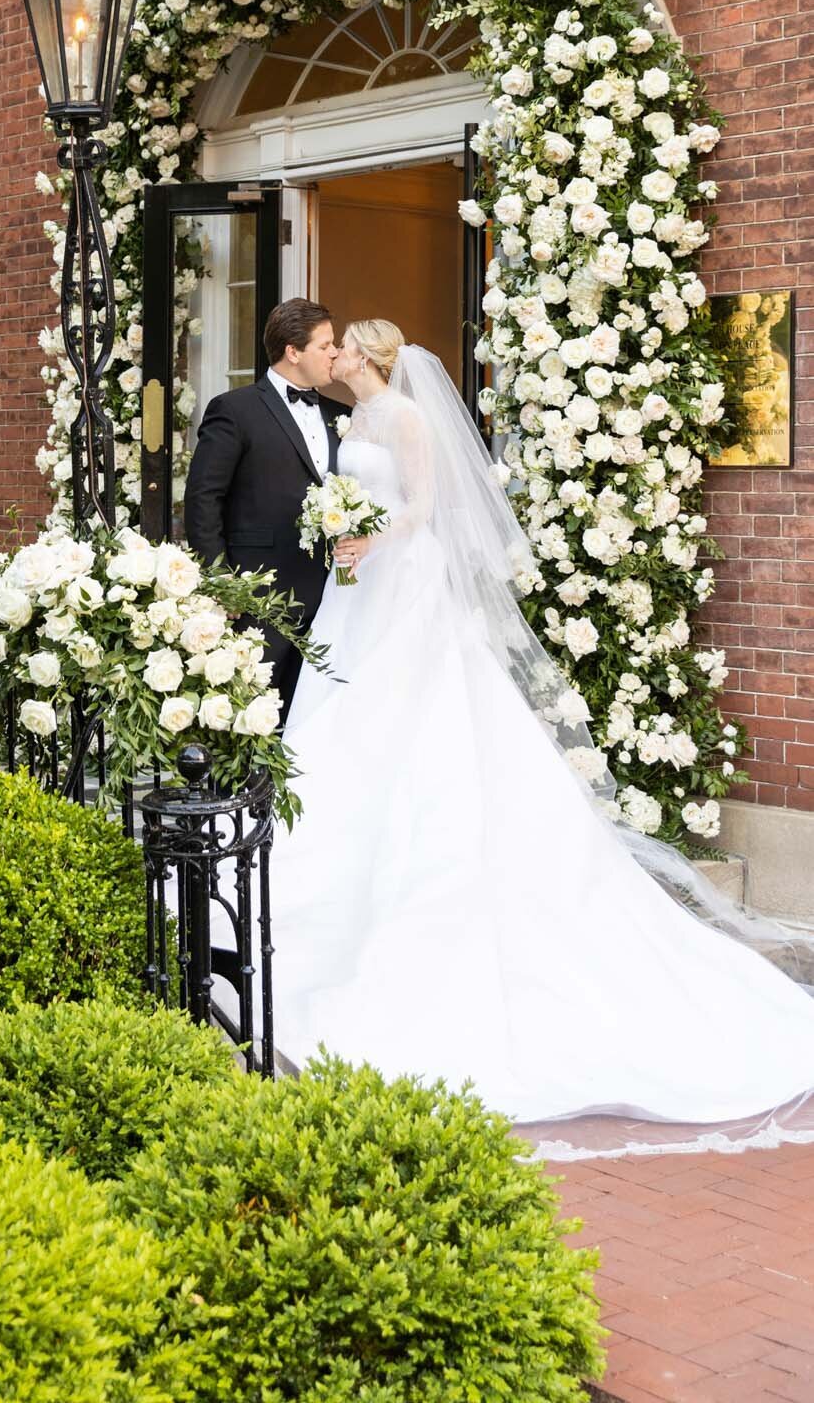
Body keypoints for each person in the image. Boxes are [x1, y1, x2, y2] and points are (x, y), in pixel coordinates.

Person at [270, 317, 814, 1158]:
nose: (331, 352)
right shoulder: (354, 423)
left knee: (410, 715)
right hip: (356, 586)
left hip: (401, 584)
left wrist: (373, 537)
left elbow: (423, 506)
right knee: (343, 710)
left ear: (370, 356)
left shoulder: (407, 421)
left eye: (342, 345)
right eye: (327, 344)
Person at [184, 299, 343, 720]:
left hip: (334, 594)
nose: (335, 353)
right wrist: (219, 580)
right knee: (251, 711)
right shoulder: (234, 410)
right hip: (259, 592)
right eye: (325, 345)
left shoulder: (343, 417)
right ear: (293, 351)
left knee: (315, 713)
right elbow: (203, 498)